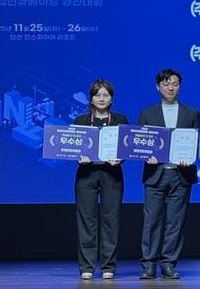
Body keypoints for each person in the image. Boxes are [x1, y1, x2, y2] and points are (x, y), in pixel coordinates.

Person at [138, 69, 200, 280]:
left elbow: (199, 142)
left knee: (176, 222)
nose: (171, 87)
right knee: (151, 221)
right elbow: (140, 142)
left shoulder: (191, 113)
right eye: (166, 84)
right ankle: (148, 264)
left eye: (175, 83)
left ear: (180, 86)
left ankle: (168, 264)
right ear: (158, 87)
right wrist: (147, 155)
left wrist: (191, 156)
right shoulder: (147, 113)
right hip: (155, 173)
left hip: (181, 174)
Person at [73, 79, 129, 280]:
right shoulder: (80, 121)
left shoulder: (120, 120)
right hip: (86, 174)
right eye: (98, 95)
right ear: (91, 98)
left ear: (112, 98)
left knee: (110, 221)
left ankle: (108, 266)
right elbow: (72, 147)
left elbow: (127, 147)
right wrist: (79, 157)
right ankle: (86, 266)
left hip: (111, 174)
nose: (102, 98)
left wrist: (120, 158)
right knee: (86, 221)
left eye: (106, 95)